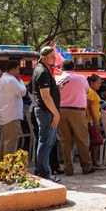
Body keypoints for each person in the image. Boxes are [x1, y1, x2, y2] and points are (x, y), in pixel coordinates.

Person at [56, 59, 94, 176]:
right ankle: (86, 167)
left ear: (62, 68)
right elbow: (87, 91)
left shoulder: (56, 79)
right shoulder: (81, 78)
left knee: (65, 141)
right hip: (77, 111)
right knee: (82, 139)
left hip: (61, 111)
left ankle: (68, 168)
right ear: (74, 68)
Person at [32, 46, 62, 183]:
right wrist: (56, 113)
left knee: (46, 142)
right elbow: (45, 96)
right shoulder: (43, 71)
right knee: (46, 143)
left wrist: (56, 88)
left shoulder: (41, 70)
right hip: (47, 112)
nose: (54, 59)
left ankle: (40, 170)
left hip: (45, 111)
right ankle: (44, 173)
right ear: (44, 57)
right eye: (52, 56)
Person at [0, 60, 26, 161]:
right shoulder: (11, 80)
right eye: (18, 70)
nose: (18, 72)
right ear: (13, 69)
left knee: (4, 141)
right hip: (11, 115)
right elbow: (22, 92)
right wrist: (20, 81)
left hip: (5, 115)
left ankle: (0, 163)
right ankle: (7, 167)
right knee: (10, 143)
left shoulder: (3, 79)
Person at [86, 74, 106, 169]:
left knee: (95, 142)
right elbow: (89, 107)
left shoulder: (93, 92)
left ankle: (91, 161)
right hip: (91, 120)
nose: (99, 85)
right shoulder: (90, 92)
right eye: (97, 83)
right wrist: (94, 120)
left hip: (93, 120)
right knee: (97, 141)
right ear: (92, 83)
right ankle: (92, 161)